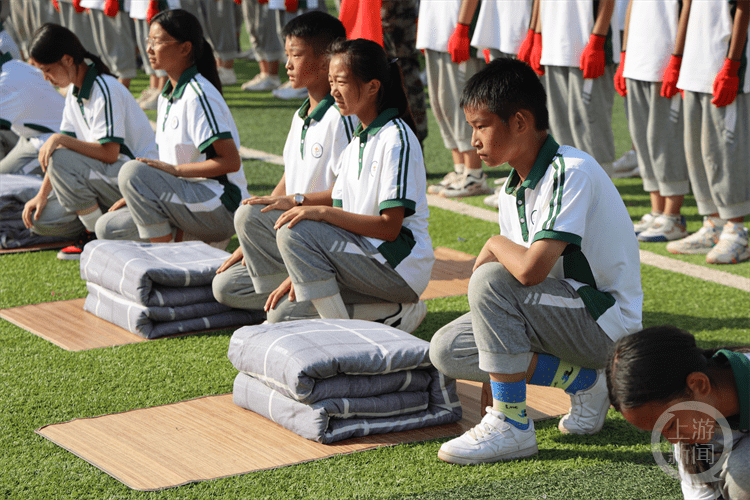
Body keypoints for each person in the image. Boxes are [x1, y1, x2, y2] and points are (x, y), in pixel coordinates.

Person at [430, 58, 642, 464]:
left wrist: (493, 242)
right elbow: (521, 280)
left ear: (521, 122)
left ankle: (512, 425)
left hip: (606, 326)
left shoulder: (570, 171)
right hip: (556, 312)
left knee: (491, 280)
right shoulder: (512, 188)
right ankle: (585, 383)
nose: (472, 138)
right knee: (448, 349)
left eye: (481, 125)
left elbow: (529, 270)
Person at [239, 38, 433, 333]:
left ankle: (343, 340)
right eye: (331, 81)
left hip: (398, 269)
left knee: (297, 233)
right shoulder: (360, 136)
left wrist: (318, 213)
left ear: (373, 86)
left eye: (340, 81)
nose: (333, 91)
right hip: (362, 255)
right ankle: (391, 312)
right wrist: (298, 210)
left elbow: (389, 228)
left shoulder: (397, 139)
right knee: (280, 314)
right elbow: (341, 203)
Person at [212, 10, 356, 319]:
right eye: (287, 53)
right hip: (295, 235)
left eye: (296, 55)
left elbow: (350, 196)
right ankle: (293, 296)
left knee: (279, 315)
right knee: (225, 286)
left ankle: (378, 308)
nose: (287, 63)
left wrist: (296, 202)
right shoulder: (301, 114)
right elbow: (290, 177)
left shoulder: (341, 119)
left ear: (326, 61)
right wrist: (249, 244)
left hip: (327, 241)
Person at [95, 9, 248, 245]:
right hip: (188, 197)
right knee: (109, 227)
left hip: (219, 205)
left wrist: (175, 171)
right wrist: (141, 193)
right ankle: (191, 241)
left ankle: (168, 261)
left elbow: (230, 161)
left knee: (131, 171)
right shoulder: (166, 96)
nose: (148, 49)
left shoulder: (198, 95)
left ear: (185, 48)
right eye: (149, 41)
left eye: (156, 42)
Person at [24, 23, 157, 259]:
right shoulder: (75, 93)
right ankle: (106, 224)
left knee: (60, 153)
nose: (46, 78)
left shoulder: (105, 88)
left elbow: (109, 154)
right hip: (107, 180)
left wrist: (59, 139)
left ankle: (97, 237)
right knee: (39, 219)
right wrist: (41, 195)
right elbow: (64, 154)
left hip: (139, 184)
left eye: (47, 70)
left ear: (67, 60)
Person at [607, 326, 749, 500]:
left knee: (744, 471)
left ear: (698, 384)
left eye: (671, 425)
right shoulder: (692, 436)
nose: (673, 439)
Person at [663, 0, 750, 264]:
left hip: (724, 63)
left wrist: (732, 66)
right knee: (698, 151)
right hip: (695, 65)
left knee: (723, 150)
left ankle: (736, 231)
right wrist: (677, 58)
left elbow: (744, 7)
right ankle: (713, 224)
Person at [615, 0, 689, 242]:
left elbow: (687, 7)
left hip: (665, 56)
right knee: (642, 139)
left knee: (664, 138)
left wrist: (678, 57)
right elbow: (631, 6)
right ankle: (657, 210)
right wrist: (624, 53)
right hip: (638, 57)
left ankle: (674, 216)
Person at [1, 49, 83, 240]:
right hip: (33, 135)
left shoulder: (6, 82)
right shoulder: (14, 65)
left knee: (8, 189)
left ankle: (55, 194)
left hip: (50, 144)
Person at [531, 0, 621, 176]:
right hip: (554, 44)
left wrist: (598, 39)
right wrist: (538, 35)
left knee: (591, 130)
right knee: (559, 129)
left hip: (587, 42)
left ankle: (600, 194)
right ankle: (568, 188)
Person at [416, 0, 491, 198]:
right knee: (442, 105)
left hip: (456, 25)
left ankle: (474, 174)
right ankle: (460, 170)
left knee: (461, 106)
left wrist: (462, 27)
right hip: (435, 28)